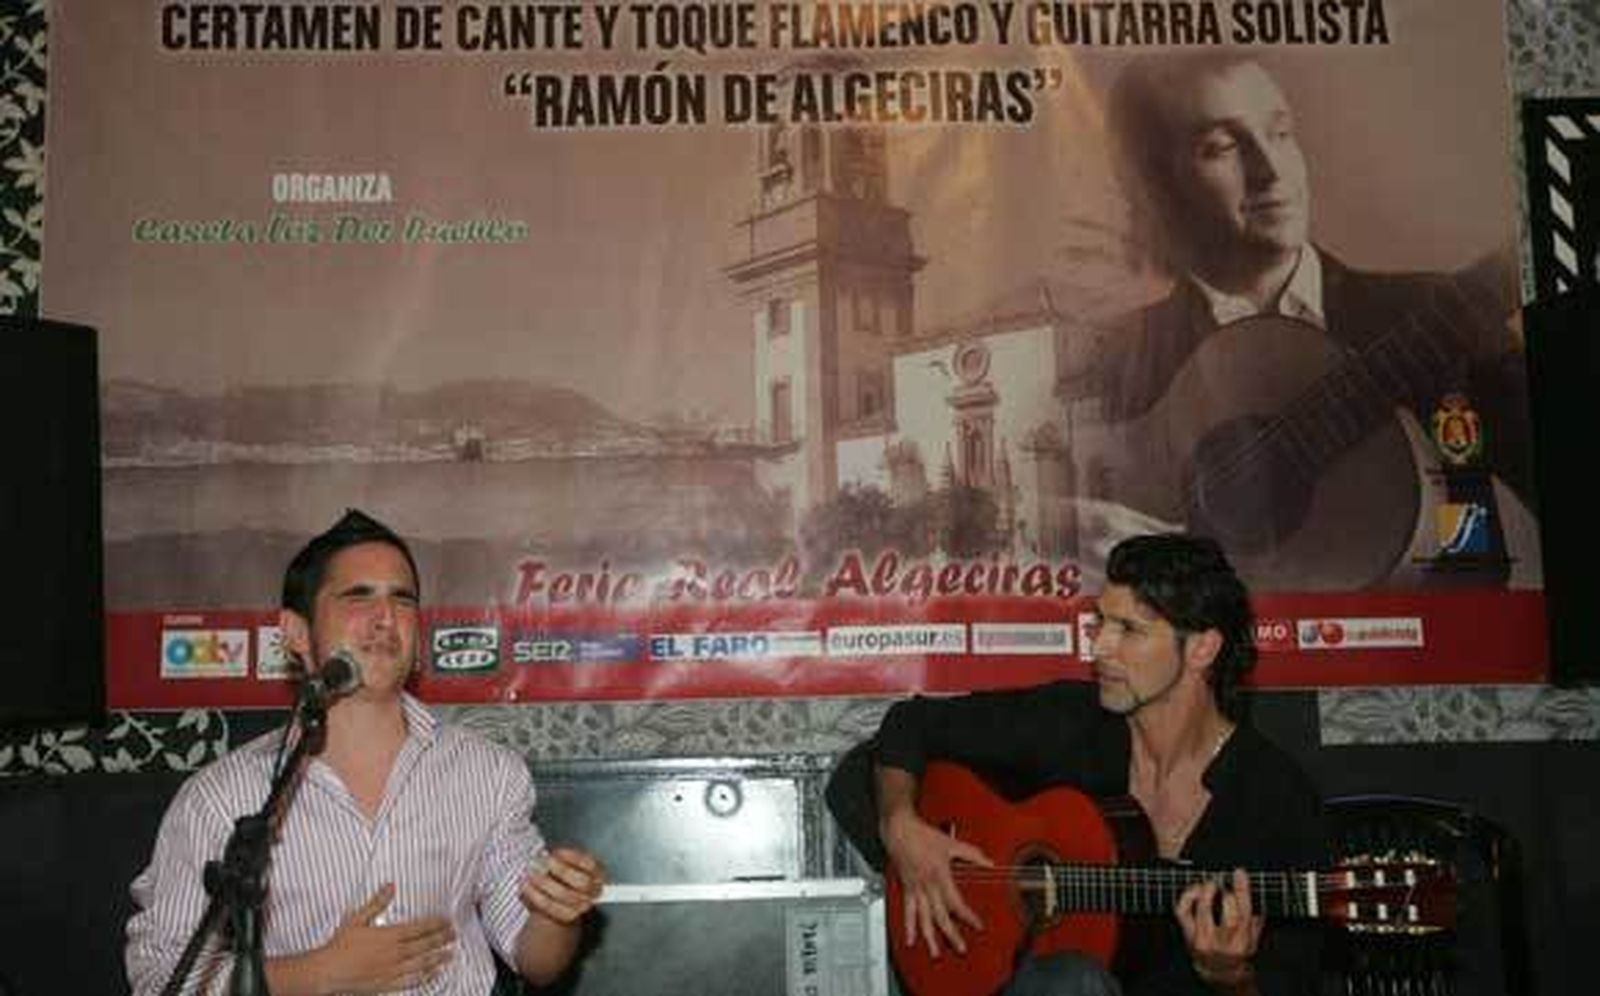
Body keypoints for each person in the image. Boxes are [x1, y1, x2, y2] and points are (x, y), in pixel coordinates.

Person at [1085, 51, 1534, 588]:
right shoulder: (1116, 358)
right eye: (1221, 148)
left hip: (1424, 655)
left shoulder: (1431, 313)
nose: (1271, 171)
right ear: (1153, 187)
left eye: (1280, 133)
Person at [126, 509, 605, 994]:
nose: (385, 618)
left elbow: (537, 959)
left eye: (403, 599)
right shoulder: (224, 796)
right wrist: (318, 974)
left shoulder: (487, 772)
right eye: (359, 597)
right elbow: (160, 976)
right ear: (295, 633)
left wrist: (557, 916)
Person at [826, 533, 1327, 994]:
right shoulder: (1069, 720)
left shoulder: (1274, 796)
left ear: (1201, 648)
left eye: (1128, 629)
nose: (1099, 645)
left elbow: (1291, 983)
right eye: (1100, 622)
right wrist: (900, 825)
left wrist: (1230, 976)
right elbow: (911, 725)